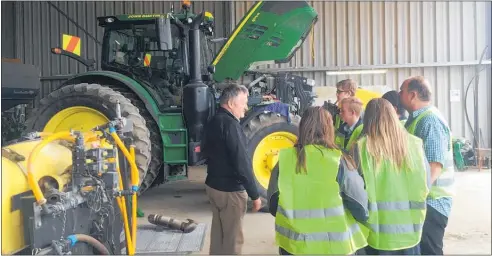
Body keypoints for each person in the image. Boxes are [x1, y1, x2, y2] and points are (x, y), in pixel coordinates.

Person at [267, 106, 369, 255]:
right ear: (328, 128)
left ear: (302, 128)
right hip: (334, 246)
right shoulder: (338, 161)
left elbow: (272, 203)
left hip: (295, 246)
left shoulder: (284, 160)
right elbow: (359, 204)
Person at [353, 98, 431, 255]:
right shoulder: (415, 144)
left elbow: (354, 192)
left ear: (368, 119)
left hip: (378, 235)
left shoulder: (361, 148)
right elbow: (427, 182)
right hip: (411, 231)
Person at [202, 83, 262, 255]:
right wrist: (255, 194)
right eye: (243, 102)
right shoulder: (231, 125)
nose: (246, 107)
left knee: (218, 235)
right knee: (233, 239)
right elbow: (241, 162)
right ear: (230, 103)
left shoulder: (213, 120)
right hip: (230, 192)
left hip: (213, 186)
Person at [399, 76, 455, 255]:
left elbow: (434, 167)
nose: (399, 95)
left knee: (429, 250)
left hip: (431, 202)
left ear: (412, 95)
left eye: (402, 91)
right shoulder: (416, 119)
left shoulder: (429, 120)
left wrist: (416, 196)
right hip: (424, 201)